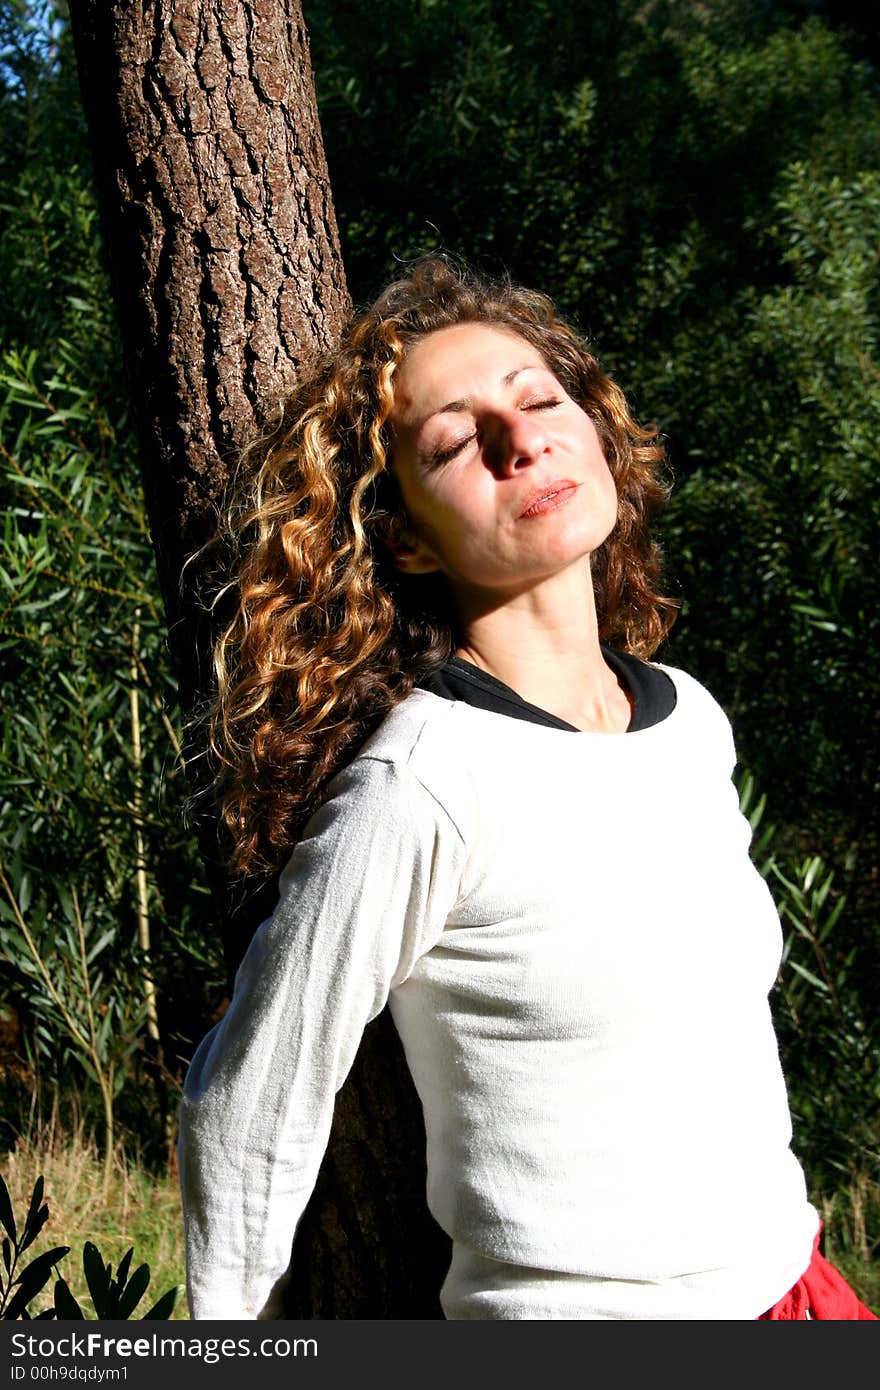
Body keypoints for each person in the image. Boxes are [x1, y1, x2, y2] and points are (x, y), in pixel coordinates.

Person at [177, 255, 875, 1321]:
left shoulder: (687, 720)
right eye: (455, 440)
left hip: (796, 1289)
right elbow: (248, 1103)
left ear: (595, 434)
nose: (519, 440)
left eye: (539, 397)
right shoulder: (424, 783)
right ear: (404, 536)